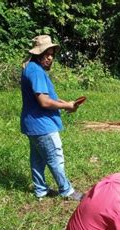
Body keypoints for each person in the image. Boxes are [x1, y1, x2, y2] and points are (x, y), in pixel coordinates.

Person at [20, 35, 83, 201]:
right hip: (42, 125)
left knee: (38, 159)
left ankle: (40, 190)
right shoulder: (35, 71)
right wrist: (66, 106)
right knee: (55, 158)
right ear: (37, 54)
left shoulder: (32, 68)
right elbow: (44, 102)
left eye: (51, 54)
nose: (49, 58)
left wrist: (67, 103)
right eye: (46, 54)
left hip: (32, 124)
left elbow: (48, 97)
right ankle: (67, 191)